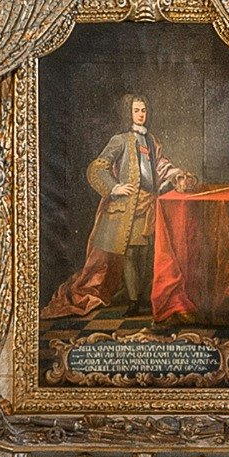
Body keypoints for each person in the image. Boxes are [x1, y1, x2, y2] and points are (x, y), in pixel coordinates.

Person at [50, 91, 185, 319]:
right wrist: (115, 187)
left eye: (143, 110)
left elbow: (161, 166)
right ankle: (133, 301)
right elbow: (97, 168)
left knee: (145, 252)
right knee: (131, 253)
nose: (141, 114)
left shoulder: (152, 141)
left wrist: (177, 175)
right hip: (126, 209)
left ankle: (141, 296)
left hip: (148, 206)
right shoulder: (120, 140)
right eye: (136, 110)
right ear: (129, 113)